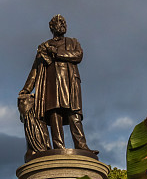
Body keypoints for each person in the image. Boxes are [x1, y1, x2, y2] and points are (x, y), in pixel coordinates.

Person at [20, 14, 95, 153]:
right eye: (59, 22)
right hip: (51, 84)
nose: (62, 25)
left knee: (75, 115)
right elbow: (35, 70)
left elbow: (78, 55)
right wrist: (26, 89)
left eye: (64, 23)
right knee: (55, 115)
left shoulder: (73, 42)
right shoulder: (44, 46)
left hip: (70, 82)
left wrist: (56, 52)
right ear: (52, 27)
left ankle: (82, 146)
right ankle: (59, 148)